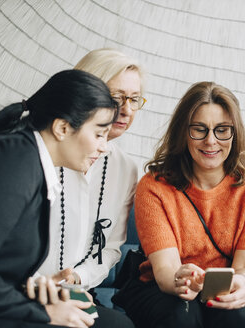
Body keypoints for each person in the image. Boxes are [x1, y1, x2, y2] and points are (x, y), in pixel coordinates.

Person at [0, 70, 131, 328]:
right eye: (98, 134)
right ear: (62, 128)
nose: (104, 146)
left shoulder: (28, 160)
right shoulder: (12, 162)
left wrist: (36, 287)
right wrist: (44, 314)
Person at [112, 81, 245, 328]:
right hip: (162, 287)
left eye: (222, 130)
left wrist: (240, 285)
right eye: (199, 129)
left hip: (231, 284)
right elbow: (166, 268)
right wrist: (178, 280)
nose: (211, 141)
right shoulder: (154, 186)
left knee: (237, 316)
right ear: (183, 132)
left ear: (235, 133)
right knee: (182, 315)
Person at [34, 49, 144, 296]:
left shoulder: (125, 169)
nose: (126, 110)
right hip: (24, 289)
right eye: (116, 96)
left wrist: (77, 279)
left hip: (78, 290)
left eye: (134, 99)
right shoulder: (42, 152)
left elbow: (112, 247)